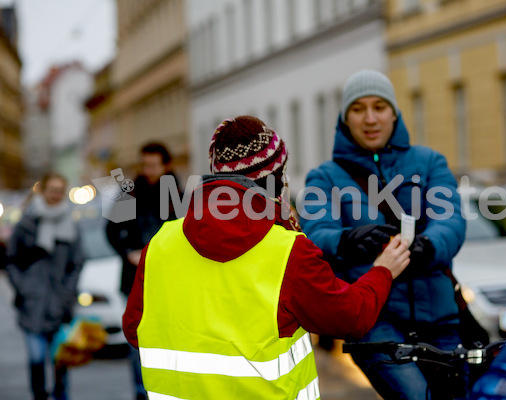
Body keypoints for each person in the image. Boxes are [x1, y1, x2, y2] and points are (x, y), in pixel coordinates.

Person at [122, 115, 411, 400]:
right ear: (273, 179)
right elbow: (351, 316)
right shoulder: (287, 250)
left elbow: (135, 329)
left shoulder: (161, 243)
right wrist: (383, 271)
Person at [299, 70, 467, 400]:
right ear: (345, 118)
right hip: (373, 322)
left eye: (379, 106)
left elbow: (452, 220)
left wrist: (428, 246)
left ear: (394, 112)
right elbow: (315, 233)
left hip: (441, 319)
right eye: (358, 109)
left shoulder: (429, 162)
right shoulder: (325, 177)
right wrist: (345, 240)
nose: (370, 118)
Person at [106, 142, 180, 400]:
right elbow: (112, 230)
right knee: (137, 338)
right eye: (144, 164)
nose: (147, 169)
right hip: (134, 278)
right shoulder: (129, 194)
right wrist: (128, 252)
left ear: (166, 165)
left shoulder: (177, 195)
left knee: (170, 339)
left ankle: (165, 390)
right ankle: (141, 391)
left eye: (153, 165)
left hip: (169, 280)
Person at [6, 172, 83, 400]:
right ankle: (39, 395)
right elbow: (11, 260)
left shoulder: (72, 223)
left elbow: (77, 263)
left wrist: (67, 292)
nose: (56, 195)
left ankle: (61, 395)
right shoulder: (26, 223)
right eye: (52, 190)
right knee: (37, 358)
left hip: (61, 304)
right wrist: (23, 287)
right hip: (32, 303)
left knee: (60, 359)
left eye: (60, 191)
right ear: (42, 191)